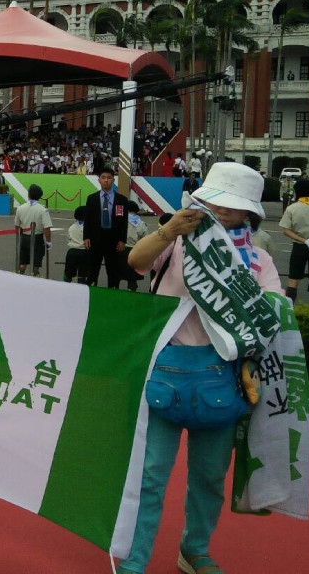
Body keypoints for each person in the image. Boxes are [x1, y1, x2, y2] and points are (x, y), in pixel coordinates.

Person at [120, 163, 282, 574]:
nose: (221, 213)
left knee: (209, 479)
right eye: (214, 203)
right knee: (149, 476)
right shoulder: (176, 244)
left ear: (250, 215)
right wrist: (168, 230)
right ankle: (133, 559)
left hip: (223, 381)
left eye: (232, 208)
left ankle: (195, 550)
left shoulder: (258, 260)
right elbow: (135, 262)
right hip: (166, 373)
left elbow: (274, 317)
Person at [83, 167, 128, 288]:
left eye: (109, 178)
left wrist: (122, 240)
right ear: (99, 180)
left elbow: (123, 222)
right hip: (95, 239)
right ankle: (91, 294)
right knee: (93, 271)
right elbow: (87, 220)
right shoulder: (91, 199)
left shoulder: (121, 200)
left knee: (113, 272)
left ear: (113, 180)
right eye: (103, 178)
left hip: (113, 240)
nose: (106, 180)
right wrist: (86, 237)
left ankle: (112, 294)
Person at [14, 184, 51, 276]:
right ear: (40, 196)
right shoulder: (43, 210)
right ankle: (35, 278)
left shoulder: (20, 208)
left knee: (23, 262)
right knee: (36, 264)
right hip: (37, 238)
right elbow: (47, 228)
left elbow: (17, 225)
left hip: (24, 237)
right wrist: (49, 241)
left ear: (28, 195)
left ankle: (18, 277)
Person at [122, 200, 148, 291]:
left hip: (121, 250)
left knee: (116, 276)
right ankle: (132, 293)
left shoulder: (121, 222)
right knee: (132, 278)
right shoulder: (142, 224)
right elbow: (145, 241)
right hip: (135, 252)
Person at [63, 206, 88, 284]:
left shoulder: (71, 227)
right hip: (84, 252)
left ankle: (66, 284)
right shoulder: (88, 228)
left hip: (72, 252)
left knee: (68, 273)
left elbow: (68, 238)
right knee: (83, 274)